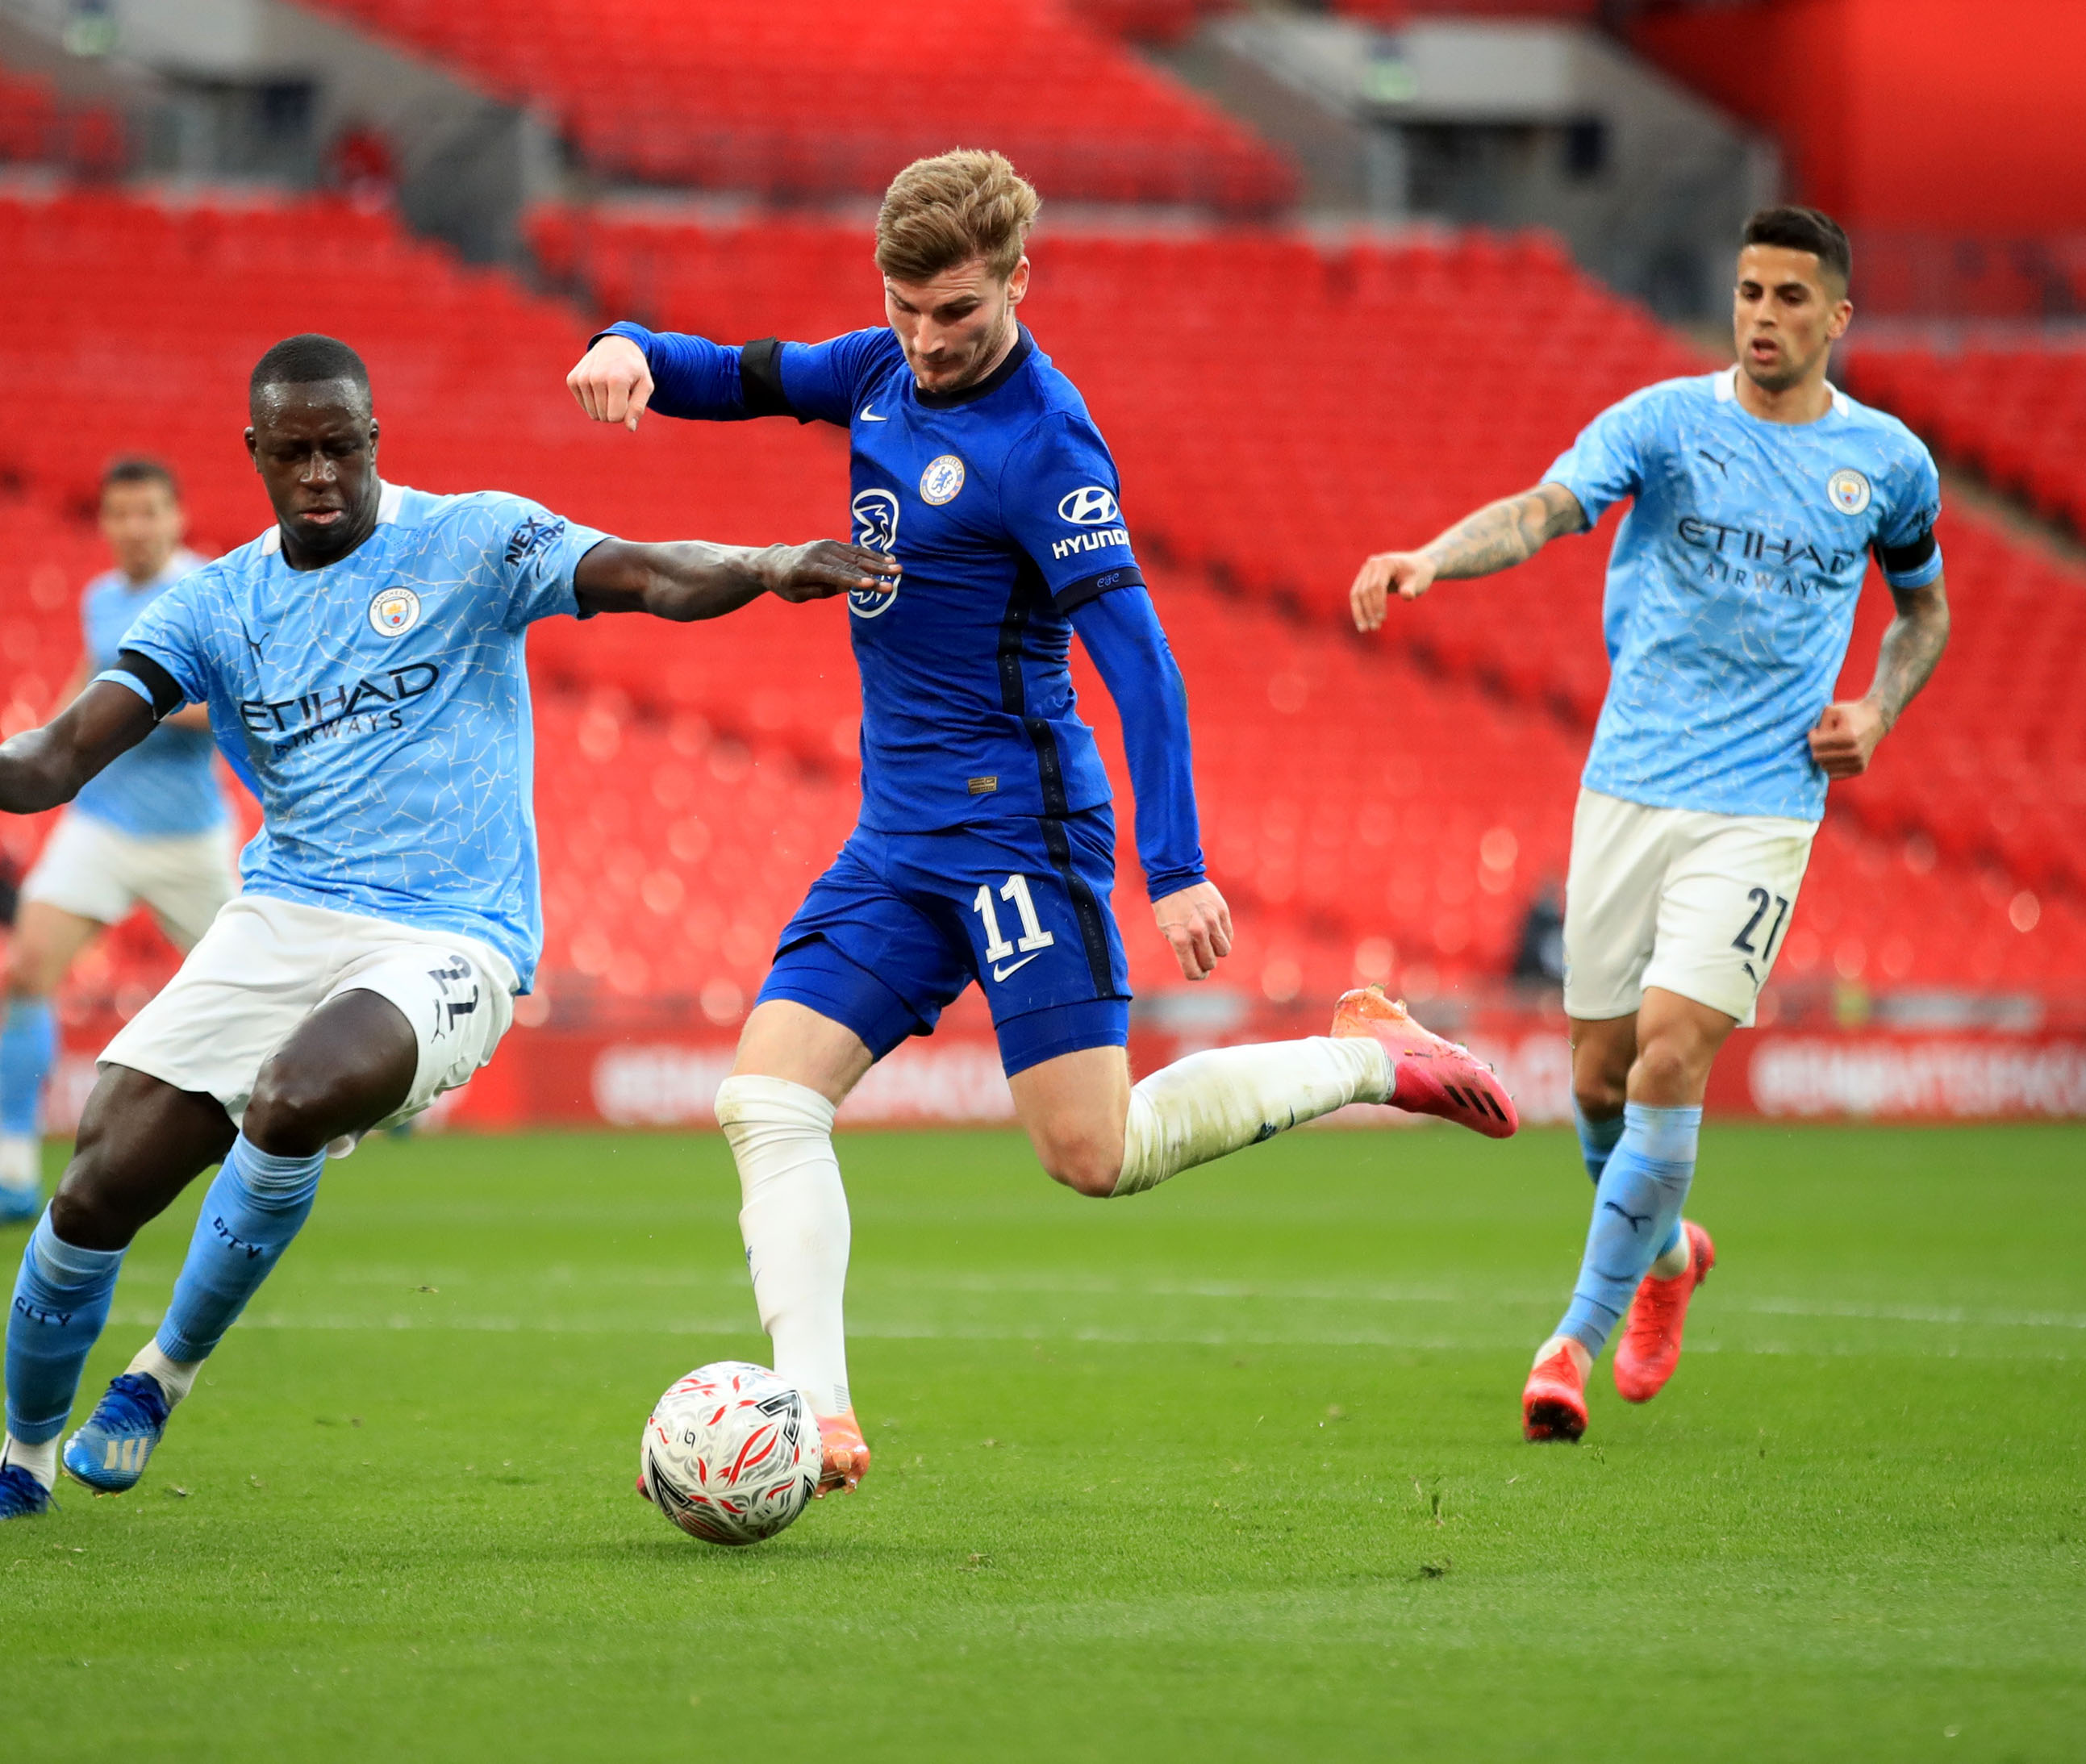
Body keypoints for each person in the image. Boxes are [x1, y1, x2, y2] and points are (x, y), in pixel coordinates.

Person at [564, 149, 1520, 1495]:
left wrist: (1173, 866)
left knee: (1092, 1152)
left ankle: (1366, 1059)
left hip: (1020, 832)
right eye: (904, 309)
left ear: (1019, 278)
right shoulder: (877, 370)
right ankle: (816, 1418)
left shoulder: (1047, 443)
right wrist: (625, 347)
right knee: (762, 1097)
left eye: (954, 311)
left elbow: (1141, 664)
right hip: (896, 836)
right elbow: (735, 370)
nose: (925, 340)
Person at [0, 332, 896, 1522]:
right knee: (94, 1191)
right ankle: (18, 1465)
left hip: (454, 933)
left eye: (340, 447)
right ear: (256, 453)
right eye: (294, 453)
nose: (320, 472)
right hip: (278, 914)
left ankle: (158, 1374)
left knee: (293, 1095)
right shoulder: (215, 605)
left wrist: (765, 560)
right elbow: (65, 750)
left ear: (375, 438)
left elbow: (644, 572)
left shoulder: (473, 541)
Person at [1346, 206, 1950, 1441]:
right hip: (1627, 786)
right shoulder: (1662, 424)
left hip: (1763, 803)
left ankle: (1571, 1336)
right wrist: (1428, 557)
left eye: (1790, 297)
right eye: (1747, 292)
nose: (1764, 316)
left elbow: (1922, 612)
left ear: (1836, 316)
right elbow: (1539, 510)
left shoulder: (1885, 461)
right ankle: (1667, 1256)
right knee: (1597, 1079)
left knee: (1672, 1052)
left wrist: (1877, 711)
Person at [0, 457, 241, 1243]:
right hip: (100, 824)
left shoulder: (209, 589)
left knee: (262, 992)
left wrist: (139, 706)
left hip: (190, 838)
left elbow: (235, 706)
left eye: (148, 513)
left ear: (176, 518)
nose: (133, 528)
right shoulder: (101, 598)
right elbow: (79, 694)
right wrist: (14, 758)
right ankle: (6, 1173)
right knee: (26, 969)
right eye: (120, 514)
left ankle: (349, 1110)